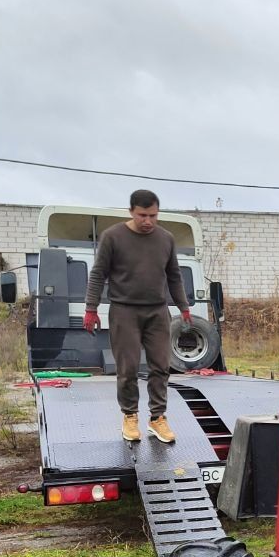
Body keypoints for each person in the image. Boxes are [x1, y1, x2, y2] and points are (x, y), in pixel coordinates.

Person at [84, 189, 192, 444]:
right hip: (124, 311)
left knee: (160, 366)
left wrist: (183, 306)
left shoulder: (166, 239)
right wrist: (91, 309)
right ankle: (130, 415)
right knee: (128, 368)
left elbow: (174, 275)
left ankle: (157, 418)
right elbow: (98, 274)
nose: (148, 221)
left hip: (157, 311)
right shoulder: (113, 237)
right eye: (143, 215)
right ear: (131, 211)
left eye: (153, 216)